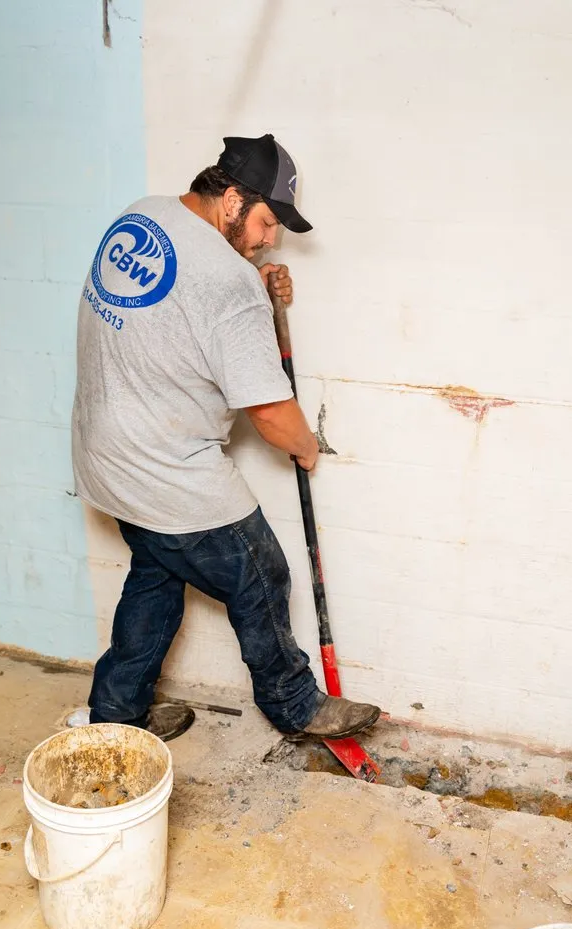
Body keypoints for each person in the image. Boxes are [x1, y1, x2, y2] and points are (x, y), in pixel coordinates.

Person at [71, 133, 381, 742]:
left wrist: (256, 282)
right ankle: (295, 706)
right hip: (167, 472)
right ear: (234, 198)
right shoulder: (228, 284)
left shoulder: (141, 214)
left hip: (105, 459)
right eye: (267, 222)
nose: (270, 240)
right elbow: (270, 412)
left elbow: (177, 309)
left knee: (156, 578)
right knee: (261, 575)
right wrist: (305, 445)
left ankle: (115, 716)